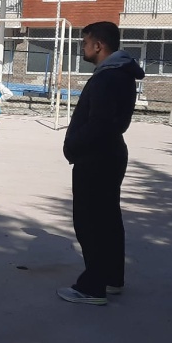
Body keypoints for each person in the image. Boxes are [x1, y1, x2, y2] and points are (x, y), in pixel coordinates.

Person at [58, 21, 145, 306]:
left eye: (85, 43)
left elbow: (100, 124)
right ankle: (111, 278)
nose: (82, 48)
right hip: (107, 155)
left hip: (97, 157)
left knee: (90, 222)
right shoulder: (118, 73)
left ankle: (92, 287)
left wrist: (73, 145)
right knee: (107, 219)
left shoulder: (108, 78)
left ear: (98, 45)